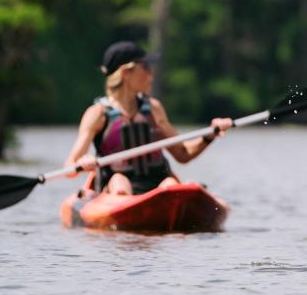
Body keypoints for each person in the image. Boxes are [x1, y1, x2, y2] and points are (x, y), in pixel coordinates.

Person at [62, 41, 234, 195]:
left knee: (170, 184)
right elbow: (70, 166)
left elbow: (183, 153)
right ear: (126, 73)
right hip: (116, 188)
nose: (151, 74)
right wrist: (83, 162)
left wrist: (209, 135)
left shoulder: (153, 109)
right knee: (120, 183)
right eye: (145, 67)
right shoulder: (98, 114)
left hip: (157, 184)